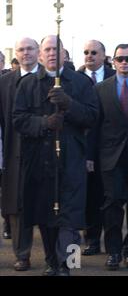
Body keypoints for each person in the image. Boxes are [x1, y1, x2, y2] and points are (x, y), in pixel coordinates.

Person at [12, 35, 98, 276]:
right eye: (47, 49)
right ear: (40, 55)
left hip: (71, 160)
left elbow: (92, 117)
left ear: (64, 54)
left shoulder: (81, 83)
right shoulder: (27, 84)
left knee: (71, 218)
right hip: (40, 160)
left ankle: (69, 266)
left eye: (56, 49)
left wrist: (69, 104)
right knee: (46, 216)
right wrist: (44, 123)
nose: (51, 53)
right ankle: (52, 262)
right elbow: (18, 119)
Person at [94, 44, 128, 270]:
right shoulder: (101, 88)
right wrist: (91, 157)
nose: (124, 62)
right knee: (112, 203)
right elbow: (95, 125)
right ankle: (114, 251)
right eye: (120, 59)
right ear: (113, 61)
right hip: (110, 156)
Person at [0, 37, 40, 271]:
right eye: (21, 50)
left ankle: (54, 257)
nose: (26, 53)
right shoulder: (5, 83)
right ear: (16, 54)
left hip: (42, 153)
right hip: (13, 151)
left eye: (30, 49)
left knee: (45, 205)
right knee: (17, 207)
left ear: (38, 52)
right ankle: (22, 254)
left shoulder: (49, 80)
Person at [78, 40, 116, 257]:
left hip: (112, 146)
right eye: (86, 52)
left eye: (94, 52)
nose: (89, 56)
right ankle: (91, 240)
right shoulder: (77, 78)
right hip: (86, 148)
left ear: (104, 55)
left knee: (110, 197)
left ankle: (113, 244)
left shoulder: (114, 76)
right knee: (90, 197)